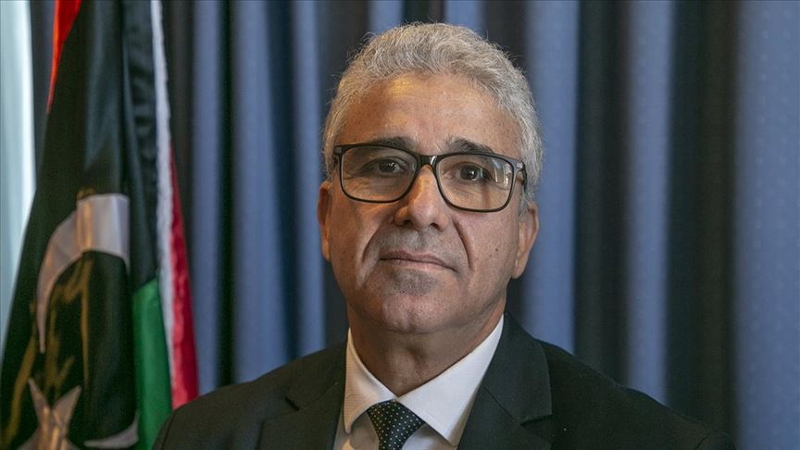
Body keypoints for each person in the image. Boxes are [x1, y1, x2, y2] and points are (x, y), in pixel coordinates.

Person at [155, 23, 734, 449]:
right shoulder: (201, 437)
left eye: (473, 174)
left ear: (523, 237)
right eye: (385, 165)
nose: (422, 209)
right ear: (327, 217)